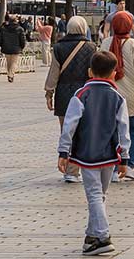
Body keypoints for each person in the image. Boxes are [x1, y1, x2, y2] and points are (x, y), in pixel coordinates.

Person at [57, 49, 130, 255]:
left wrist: (63, 152)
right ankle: (92, 237)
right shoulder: (118, 97)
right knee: (100, 195)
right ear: (113, 73)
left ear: (90, 72)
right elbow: (124, 129)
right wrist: (124, 157)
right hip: (109, 154)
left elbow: (69, 126)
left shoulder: (80, 95)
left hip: (87, 154)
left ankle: (103, 235)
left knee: (95, 195)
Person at [45, 16, 98, 183]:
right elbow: (95, 72)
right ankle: (77, 168)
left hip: (64, 94)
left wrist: (49, 93)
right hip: (85, 94)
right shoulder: (91, 47)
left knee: (66, 131)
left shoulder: (59, 47)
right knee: (83, 132)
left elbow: (54, 72)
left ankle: (68, 170)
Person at [99, 10, 134, 181]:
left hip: (109, 93)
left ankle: (113, 168)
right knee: (133, 129)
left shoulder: (105, 43)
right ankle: (129, 165)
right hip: (132, 94)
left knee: (112, 130)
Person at [0, 15, 27, 82]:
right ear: (16, 21)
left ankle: (9, 74)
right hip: (16, 48)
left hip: (6, 47)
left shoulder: (4, 28)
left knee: (8, 62)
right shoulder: (20, 29)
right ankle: (11, 75)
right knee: (14, 62)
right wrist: (22, 46)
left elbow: (0, 39)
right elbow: (22, 39)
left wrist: (2, 45)